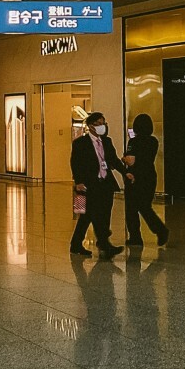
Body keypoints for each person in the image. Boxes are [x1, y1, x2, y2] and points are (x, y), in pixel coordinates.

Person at [69, 111, 126, 259]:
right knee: (89, 215)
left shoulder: (107, 142)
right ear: (90, 126)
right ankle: (102, 244)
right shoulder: (80, 143)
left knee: (101, 214)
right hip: (89, 185)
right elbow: (75, 163)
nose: (102, 126)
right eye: (98, 124)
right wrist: (78, 182)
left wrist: (125, 172)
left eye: (103, 123)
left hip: (105, 184)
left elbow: (113, 159)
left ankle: (87, 243)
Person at [123, 113, 169, 248]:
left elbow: (131, 161)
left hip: (135, 178)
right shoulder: (153, 141)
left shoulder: (134, 141)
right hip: (149, 176)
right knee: (145, 206)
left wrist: (123, 159)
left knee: (131, 208)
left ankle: (136, 237)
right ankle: (160, 229)